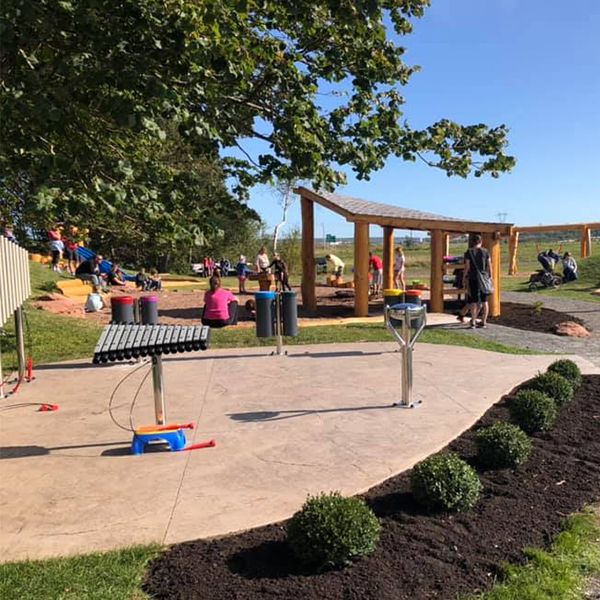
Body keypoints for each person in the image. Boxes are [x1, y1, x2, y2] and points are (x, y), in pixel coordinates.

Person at [462, 234, 493, 329]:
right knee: (484, 301)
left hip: (473, 277)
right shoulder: (486, 251)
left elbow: (467, 266)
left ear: (472, 242)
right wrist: (490, 277)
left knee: (474, 301)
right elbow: (489, 265)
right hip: (484, 278)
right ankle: (483, 321)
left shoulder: (469, 252)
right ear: (481, 242)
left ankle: (473, 322)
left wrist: (464, 277)